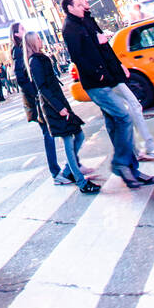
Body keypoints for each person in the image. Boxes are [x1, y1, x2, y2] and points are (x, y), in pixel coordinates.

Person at [62, 0, 154, 190]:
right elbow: (78, 57)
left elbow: (102, 48)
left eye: (83, 2)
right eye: (79, 4)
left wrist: (115, 67)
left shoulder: (85, 21)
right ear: (70, 8)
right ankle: (121, 164)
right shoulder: (70, 28)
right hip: (97, 83)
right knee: (124, 117)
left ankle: (131, 169)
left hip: (107, 78)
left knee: (115, 123)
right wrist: (100, 75)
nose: (83, 6)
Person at [25, 33, 100, 195]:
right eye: (38, 38)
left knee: (78, 135)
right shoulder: (35, 61)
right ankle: (81, 182)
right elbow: (42, 88)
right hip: (53, 107)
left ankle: (68, 171)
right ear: (32, 42)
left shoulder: (40, 58)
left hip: (58, 102)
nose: (40, 40)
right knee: (69, 140)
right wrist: (59, 108)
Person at [11, 22, 70, 183]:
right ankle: (56, 172)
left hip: (41, 97)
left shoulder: (26, 49)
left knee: (57, 132)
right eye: (21, 29)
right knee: (49, 134)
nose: (25, 30)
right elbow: (21, 78)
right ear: (16, 34)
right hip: (37, 100)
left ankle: (70, 166)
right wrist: (37, 92)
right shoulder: (18, 51)